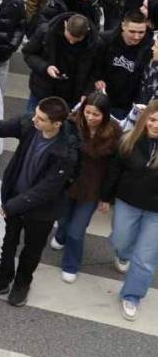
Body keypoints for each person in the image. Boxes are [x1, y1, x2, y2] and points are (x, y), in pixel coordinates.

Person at [0, 97, 80, 307]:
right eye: (36, 114)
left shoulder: (67, 152)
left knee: (32, 250)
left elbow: (47, 189)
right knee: (6, 244)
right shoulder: (29, 124)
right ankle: (2, 279)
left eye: (41, 119)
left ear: (56, 124)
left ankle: (22, 283)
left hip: (42, 210)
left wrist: (9, 207)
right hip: (14, 198)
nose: (34, 120)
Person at [49, 91, 120, 283]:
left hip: (92, 188)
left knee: (77, 230)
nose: (90, 117)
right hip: (67, 183)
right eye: (87, 112)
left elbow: (114, 168)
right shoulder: (71, 124)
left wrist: (106, 197)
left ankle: (71, 264)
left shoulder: (114, 132)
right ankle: (61, 234)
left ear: (105, 115)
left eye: (96, 114)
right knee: (63, 220)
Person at [103, 98, 158, 320]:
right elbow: (114, 171)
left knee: (145, 259)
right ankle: (123, 254)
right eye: (153, 120)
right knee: (121, 241)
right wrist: (106, 197)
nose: (156, 125)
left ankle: (132, 295)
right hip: (128, 202)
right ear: (145, 119)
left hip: (156, 212)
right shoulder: (128, 141)